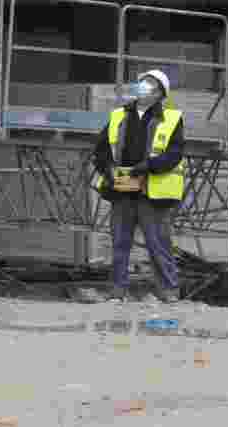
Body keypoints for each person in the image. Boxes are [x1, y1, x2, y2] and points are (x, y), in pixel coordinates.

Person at [93, 69, 186, 303]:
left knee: (158, 244)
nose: (143, 89)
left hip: (152, 191)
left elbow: (174, 154)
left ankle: (168, 291)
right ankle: (117, 291)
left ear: (160, 94)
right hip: (122, 188)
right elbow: (101, 150)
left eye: (150, 86)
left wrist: (148, 166)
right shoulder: (118, 116)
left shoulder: (172, 118)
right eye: (141, 84)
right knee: (119, 244)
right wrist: (109, 170)